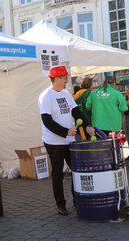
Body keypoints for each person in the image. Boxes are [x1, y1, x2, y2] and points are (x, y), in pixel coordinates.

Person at [38, 66, 95, 216]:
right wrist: (65, 132)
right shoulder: (45, 96)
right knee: (58, 173)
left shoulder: (66, 94)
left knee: (76, 171)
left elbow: (76, 111)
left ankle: (77, 200)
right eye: (64, 78)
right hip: (53, 142)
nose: (66, 81)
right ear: (56, 78)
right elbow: (47, 121)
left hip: (69, 140)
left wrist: (87, 125)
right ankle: (61, 204)